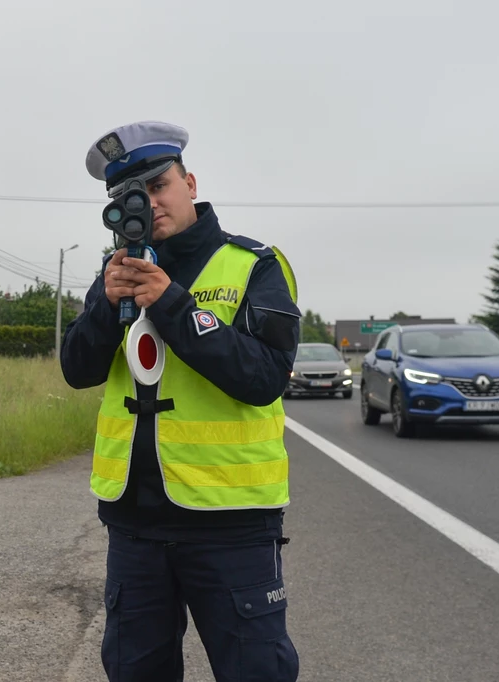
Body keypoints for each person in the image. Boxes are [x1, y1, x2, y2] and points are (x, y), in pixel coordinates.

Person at [60, 121, 302, 681]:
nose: (146, 203)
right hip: (134, 525)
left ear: (190, 182)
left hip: (232, 524)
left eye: (157, 185)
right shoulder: (115, 272)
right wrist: (105, 306)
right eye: (126, 197)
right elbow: (77, 370)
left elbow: (265, 376)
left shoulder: (254, 265)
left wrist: (172, 303)